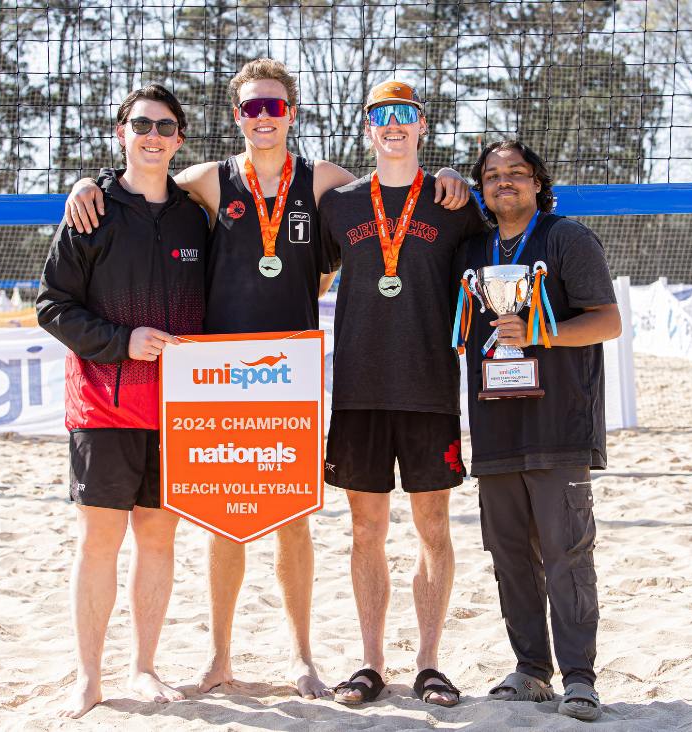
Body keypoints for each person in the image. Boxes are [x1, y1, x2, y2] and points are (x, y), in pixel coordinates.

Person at [61, 59, 472, 700]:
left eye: (274, 106)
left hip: (290, 375)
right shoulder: (207, 180)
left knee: (293, 523)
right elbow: (141, 177)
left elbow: (389, 193)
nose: (263, 117)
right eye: (251, 107)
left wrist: (450, 175)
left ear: (292, 113)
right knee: (221, 523)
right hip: (216, 376)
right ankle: (220, 655)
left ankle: (303, 655)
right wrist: (87, 182)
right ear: (237, 116)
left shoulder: (327, 185)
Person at [36, 83, 208, 719]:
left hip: (178, 409)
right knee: (99, 543)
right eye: (141, 124)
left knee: (158, 542)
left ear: (180, 139)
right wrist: (120, 341)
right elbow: (51, 306)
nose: (153, 135)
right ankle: (88, 677)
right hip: (104, 407)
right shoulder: (91, 210)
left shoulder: (197, 215)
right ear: (121, 132)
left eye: (165, 126)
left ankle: (143, 667)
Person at [317, 79, 488, 707]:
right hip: (359, 391)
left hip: (429, 389)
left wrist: (458, 176)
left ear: (422, 125)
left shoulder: (453, 203)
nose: (392, 125)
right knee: (366, 530)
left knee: (434, 527)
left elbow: (511, 218)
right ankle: (369, 662)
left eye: (404, 115)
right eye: (380, 115)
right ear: (367, 128)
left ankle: (429, 663)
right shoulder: (339, 203)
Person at [459, 139, 620, 721]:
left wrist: (538, 333)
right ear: (481, 188)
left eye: (517, 173)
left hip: (559, 425)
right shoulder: (473, 249)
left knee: (566, 556)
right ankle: (531, 671)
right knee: (508, 556)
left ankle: (580, 679)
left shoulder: (566, 238)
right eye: (493, 175)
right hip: (495, 425)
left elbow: (608, 322)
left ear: (537, 182)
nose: (505, 182)